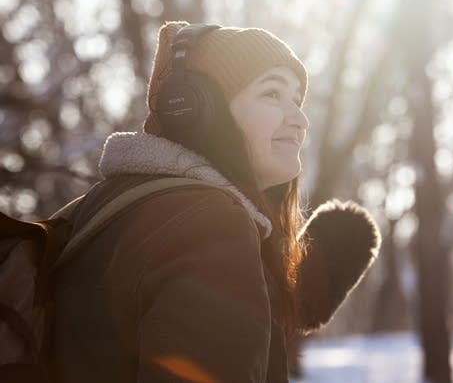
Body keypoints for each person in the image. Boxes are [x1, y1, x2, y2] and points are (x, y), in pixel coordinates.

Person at [51, 21, 380, 382]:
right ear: (198, 108)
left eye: (297, 100)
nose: (300, 119)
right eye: (272, 93)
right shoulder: (211, 226)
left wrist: (275, 290)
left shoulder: (102, 209)